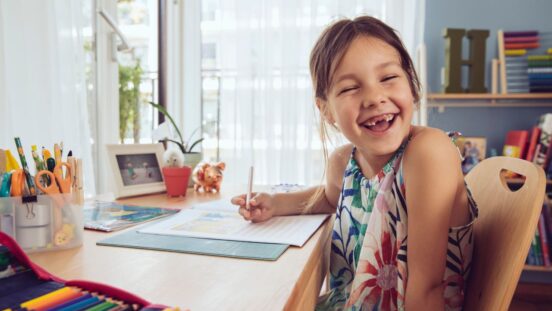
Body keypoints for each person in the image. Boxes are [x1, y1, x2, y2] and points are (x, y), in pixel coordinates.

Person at [231, 16, 478, 310]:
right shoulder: (343, 161)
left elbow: (426, 289)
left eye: (388, 78)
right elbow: (329, 197)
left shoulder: (429, 152)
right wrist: (275, 203)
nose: (374, 97)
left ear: (411, 85)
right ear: (326, 110)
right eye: (350, 88)